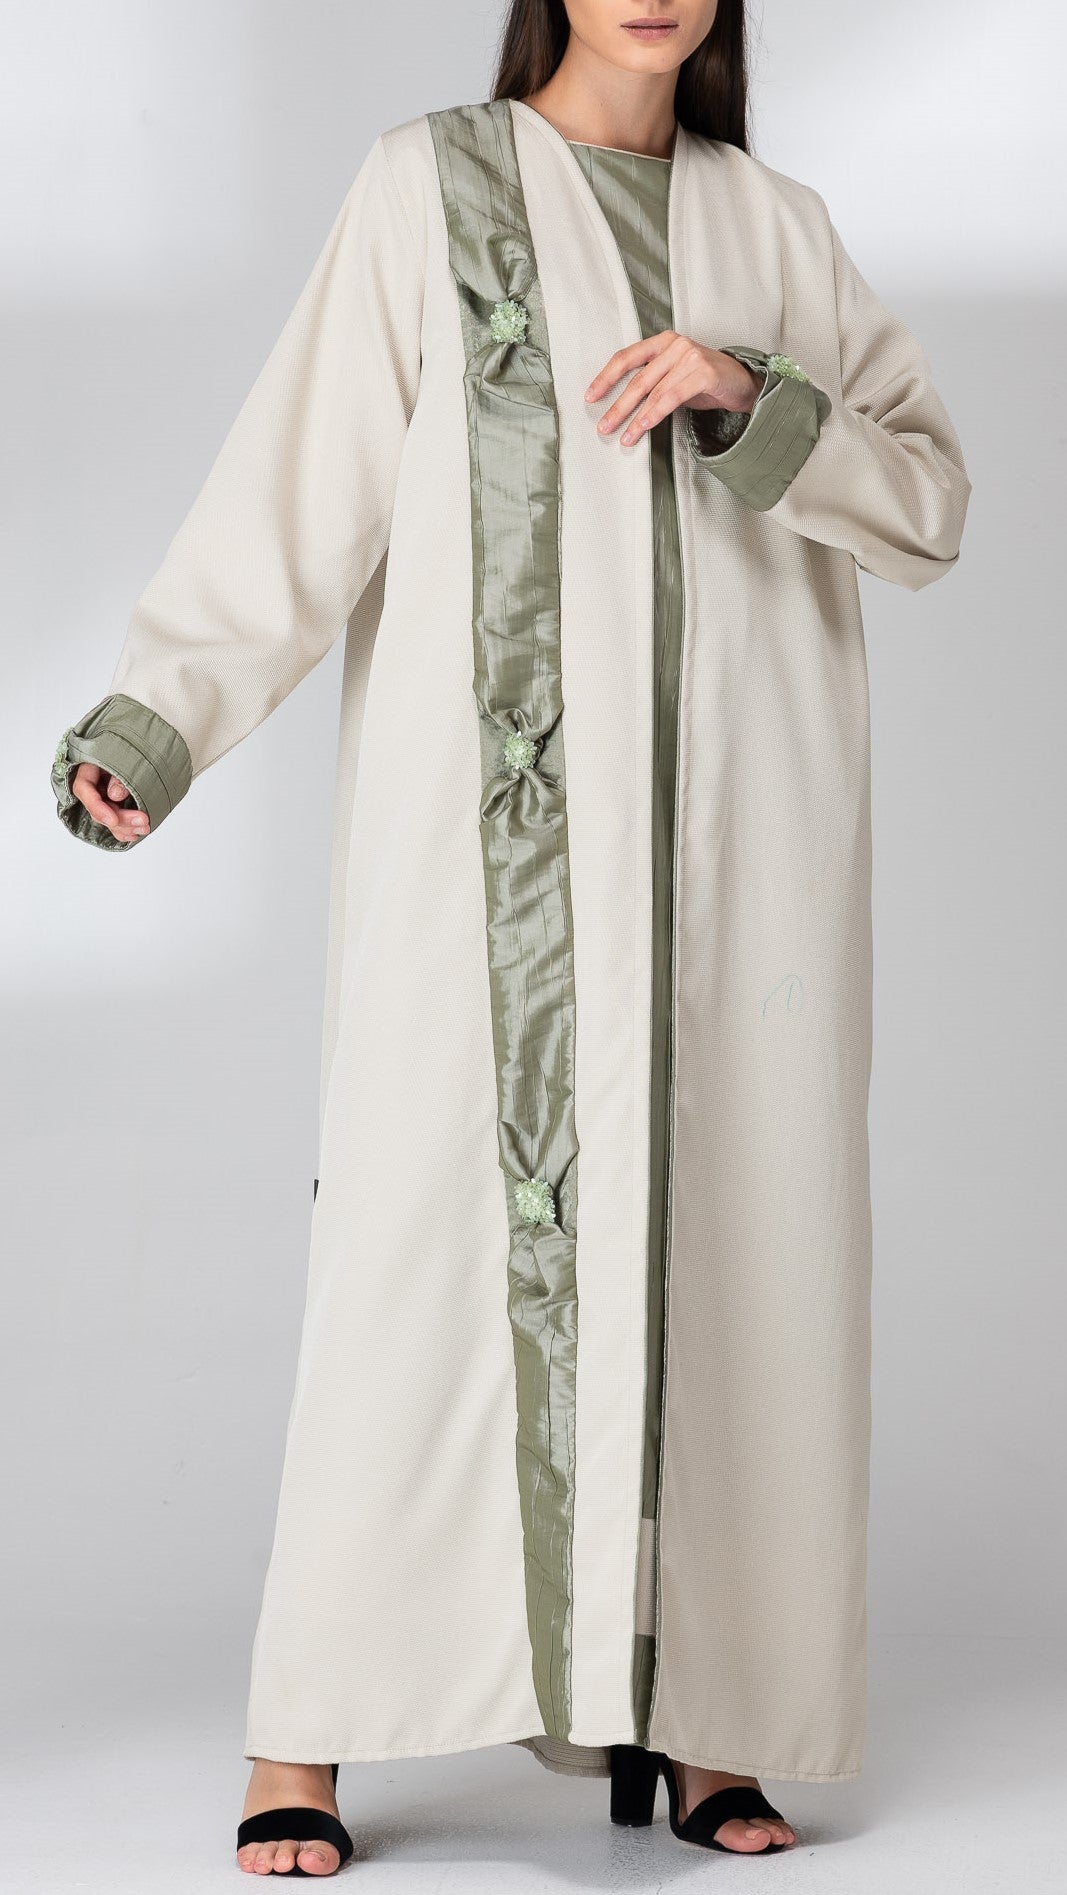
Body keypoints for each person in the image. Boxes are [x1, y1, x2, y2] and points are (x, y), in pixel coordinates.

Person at [50, 0, 971, 1875]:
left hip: (742, 865)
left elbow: (929, 504)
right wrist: (162, 721)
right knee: (416, 1261)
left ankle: (714, 1717)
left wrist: (751, 398)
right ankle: (304, 1734)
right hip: (480, 867)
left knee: (738, 1254)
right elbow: (300, 484)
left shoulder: (777, 228)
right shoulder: (430, 187)